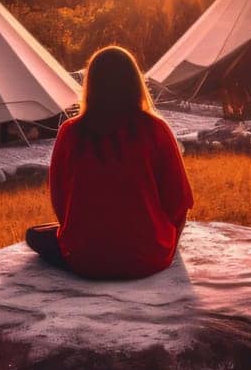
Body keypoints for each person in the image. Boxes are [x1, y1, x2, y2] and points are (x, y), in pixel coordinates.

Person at [25, 45, 194, 279]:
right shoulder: (155, 129)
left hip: (85, 259)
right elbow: (178, 202)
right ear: (135, 84)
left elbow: (61, 203)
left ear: (91, 85)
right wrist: (165, 241)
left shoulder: (70, 132)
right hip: (149, 256)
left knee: (34, 235)